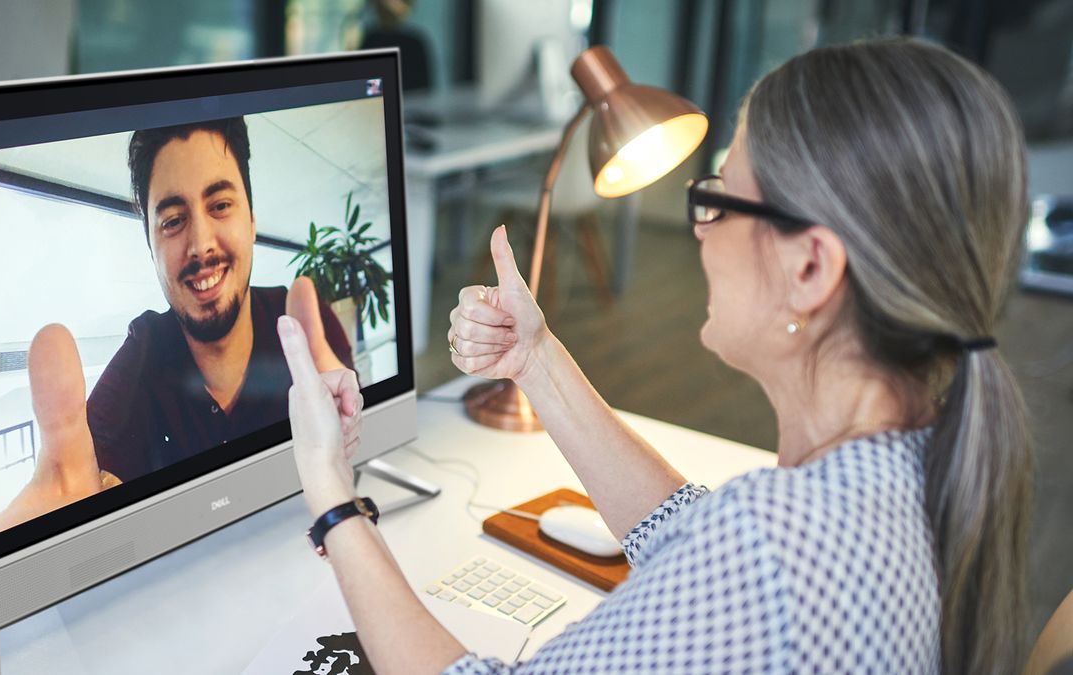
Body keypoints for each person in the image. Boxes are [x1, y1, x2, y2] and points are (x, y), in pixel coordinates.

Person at [279, 38, 1033, 674]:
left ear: (811, 269)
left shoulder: (775, 548)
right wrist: (535, 359)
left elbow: (739, 560)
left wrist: (331, 495)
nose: (701, 227)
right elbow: (690, 535)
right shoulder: (913, 461)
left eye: (721, 200)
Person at [0, 118, 361, 535]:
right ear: (151, 247)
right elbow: (81, 477)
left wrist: (344, 444)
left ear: (252, 221)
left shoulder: (310, 333)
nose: (200, 245)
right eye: (173, 220)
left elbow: (351, 468)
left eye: (219, 206)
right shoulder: (138, 364)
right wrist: (63, 543)